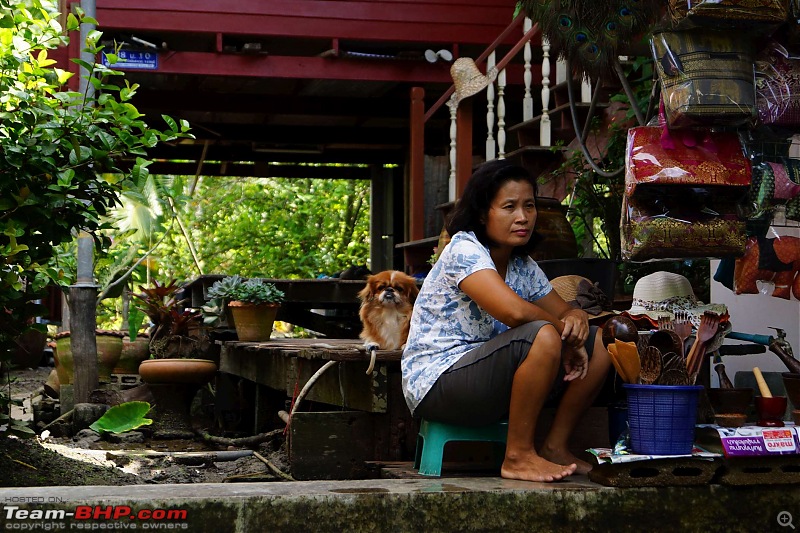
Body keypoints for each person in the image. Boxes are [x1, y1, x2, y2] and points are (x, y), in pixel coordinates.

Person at [401, 159, 611, 482]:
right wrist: (563, 334)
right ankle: (517, 457)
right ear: (484, 213)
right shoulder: (464, 250)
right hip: (437, 382)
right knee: (542, 334)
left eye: (529, 205)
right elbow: (515, 313)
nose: (523, 217)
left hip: (487, 381)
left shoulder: (522, 265)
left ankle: (555, 446)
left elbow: (562, 311)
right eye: (509, 207)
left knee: (599, 343)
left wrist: (577, 317)